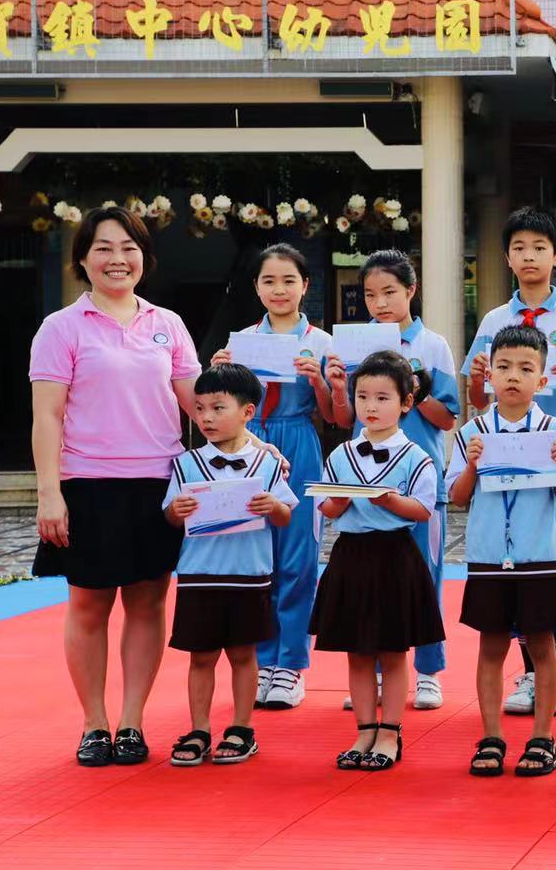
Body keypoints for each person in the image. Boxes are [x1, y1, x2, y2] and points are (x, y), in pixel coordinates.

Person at [30, 207, 203, 767]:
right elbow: (47, 416)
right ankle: (93, 724)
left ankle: (131, 722)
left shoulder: (167, 324)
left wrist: (251, 446)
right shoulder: (61, 328)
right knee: (88, 605)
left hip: (158, 484)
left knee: (148, 603)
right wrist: (50, 492)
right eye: (103, 248)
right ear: (82, 259)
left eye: (128, 247)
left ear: (143, 257)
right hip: (89, 484)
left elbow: (200, 405)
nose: (117, 259)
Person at [462, 207, 556, 718]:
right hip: (503, 465)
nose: (529, 256)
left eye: (540, 248)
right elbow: (475, 397)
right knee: (513, 567)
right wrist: (478, 379)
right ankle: (528, 674)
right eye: (519, 248)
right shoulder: (492, 321)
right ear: (506, 257)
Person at [325, 250, 461, 712]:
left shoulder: (433, 345)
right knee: (372, 583)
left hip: (418, 480)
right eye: (370, 295)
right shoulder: (353, 343)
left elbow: (448, 417)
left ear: (411, 290)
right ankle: (378, 675)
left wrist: (411, 390)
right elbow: (345, 417)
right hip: (363, 479)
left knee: (424, 577)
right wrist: (335, 385)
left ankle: (428, 672)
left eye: (389, 292)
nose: (380, 303)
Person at [449, 325, 556, 778]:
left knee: (542, 645)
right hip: (488, 555)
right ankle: (491, 736)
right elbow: (457, 497)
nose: (513, 376)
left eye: (526, 368)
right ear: (488, 375)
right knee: (491, 645)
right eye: (503, 366)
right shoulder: (473, 431)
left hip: (538, 554)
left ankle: (543, 738)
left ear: (542, 380)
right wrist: (471, 464)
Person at [209, 244, 338, 711]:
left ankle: (290, 665)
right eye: (269, 281)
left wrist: (319, 381)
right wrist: (219, 374)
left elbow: (334, 416)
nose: (279, 290)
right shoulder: (241, 341)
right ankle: (262, 660)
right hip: (250, 443)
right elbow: (219, 406)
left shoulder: (322, 343)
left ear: (305, 286)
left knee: (298, 555)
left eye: (288, 281)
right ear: (256, 288)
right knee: (255, 553)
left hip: (299, 439)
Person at [309, 351, 444, 772]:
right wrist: (338, 501)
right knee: (357, 651)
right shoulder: (341, 454)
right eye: (363, 396)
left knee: (392, 650)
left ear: (406, 402)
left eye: (383, 398)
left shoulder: (416, 456)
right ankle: (364, 729)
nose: (371, 406)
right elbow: (326, 507)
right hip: (351, 555)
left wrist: (391, 501)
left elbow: (424, 509)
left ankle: (390, 732)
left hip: (394, 556)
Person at [162, 363, 297, 767]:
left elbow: (285, 515)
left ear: (247, 412)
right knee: (201, 656)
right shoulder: (186, 464)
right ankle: (199, 729)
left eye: (218, 408)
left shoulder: (268, 464)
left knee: (242, 653)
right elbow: (170, 515)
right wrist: (176, 511)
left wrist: (273, 506)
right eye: (200, 408)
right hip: (199, 576)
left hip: (249, 576)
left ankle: (241, 727)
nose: (206, 417)